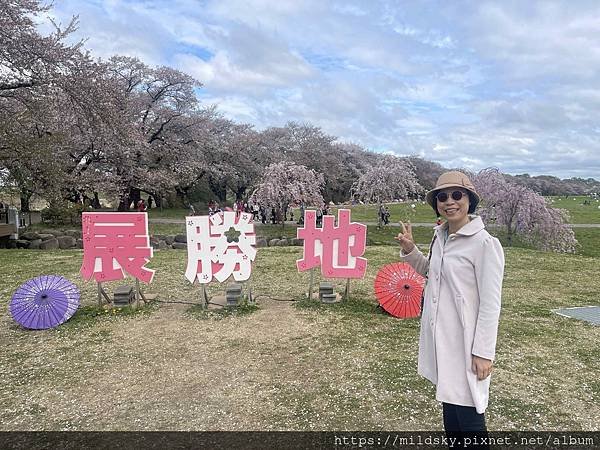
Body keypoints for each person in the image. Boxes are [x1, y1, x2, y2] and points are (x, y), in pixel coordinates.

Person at [395, 171, 504, 444]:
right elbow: (434, 274)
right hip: (441, 338)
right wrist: (411, 251)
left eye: (458, 195)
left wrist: (483, 352)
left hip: (466, 343)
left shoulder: (484, 244)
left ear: (470, 200)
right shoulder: (440, 237)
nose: (450, 202)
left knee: (469, 416)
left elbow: (491, 304)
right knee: (449, 407)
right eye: (442, 197)